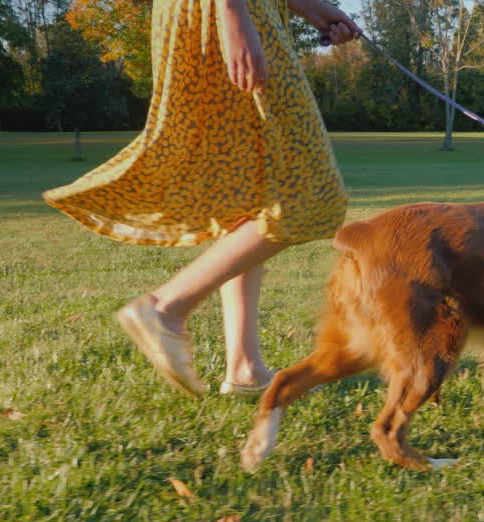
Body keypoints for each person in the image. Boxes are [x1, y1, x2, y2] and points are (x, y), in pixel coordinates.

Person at [44, 0, 361, 397]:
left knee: (248, 191)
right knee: (314, 193)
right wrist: (233, 16)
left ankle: (245, 367)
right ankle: (165, 308)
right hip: (227, 11)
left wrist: (312, 9)